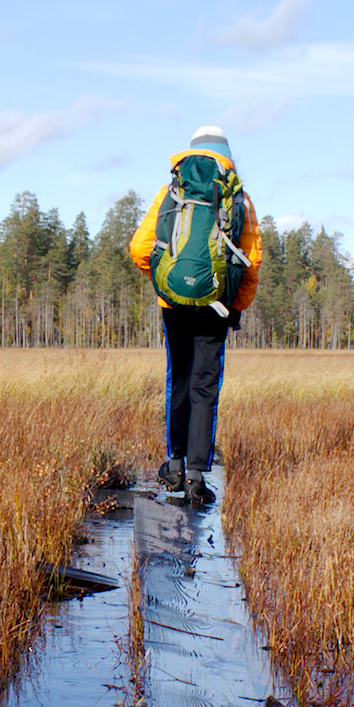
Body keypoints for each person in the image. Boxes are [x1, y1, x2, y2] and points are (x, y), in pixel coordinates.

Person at [128, 125, 263, 507]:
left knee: (179, 379)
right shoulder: (238, 197)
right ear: (227, 156)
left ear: (190, 153)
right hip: (215, 307)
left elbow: (140, 248)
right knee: (205, 386)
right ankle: (196, 476)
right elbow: (251, 263)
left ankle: (173, 464)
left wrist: (166, 285)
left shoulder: (171, 190)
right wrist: (234, 304)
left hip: (174, 305)